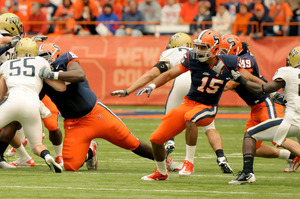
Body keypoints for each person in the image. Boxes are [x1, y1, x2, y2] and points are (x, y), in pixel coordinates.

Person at [136, 29, 266, 181]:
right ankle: (161, 173)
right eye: (198, 46)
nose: (199, 50)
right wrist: (152, 86)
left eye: (204, 47)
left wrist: (271, 89)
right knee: (156, 139)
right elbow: (170, 74)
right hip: (189, 103)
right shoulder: (192, 58)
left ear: (215, 49)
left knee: (191, 118)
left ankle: (189, 162)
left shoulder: (228, 61)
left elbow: (249, 76)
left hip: (208, 106)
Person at [110, 32, 233, 174]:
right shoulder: (214, 58)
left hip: (183, 79)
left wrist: (129, 90)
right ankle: (221, 156)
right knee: (209, 126)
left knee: (171, 120)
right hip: (202, 86)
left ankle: (170, 143)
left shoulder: (176, 54)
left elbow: (155, 74)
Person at [38, 43, 156, 171]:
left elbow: (79, 75)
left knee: (132, 143)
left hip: (96, 113)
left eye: (46, 56)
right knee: (71, 166)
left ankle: (166, 161)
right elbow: (36, 96)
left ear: (56, 55)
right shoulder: (42, 76)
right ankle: (90, 151)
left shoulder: (65, 58)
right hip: (74, 124)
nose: (43, 60)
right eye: (40, 57)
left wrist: (53, 75)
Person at [220, 34, 297, 172]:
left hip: (267, 103)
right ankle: (291, 155)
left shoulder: (245, 60)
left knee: (277, 136)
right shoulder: (239, 60)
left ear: (235, 50)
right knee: (252, 146)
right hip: (255, 107)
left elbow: (232, 83)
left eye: (225, 51)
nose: (221, 54)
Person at [0, 38, 65, 173]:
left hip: (12, 101)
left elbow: (0, 94)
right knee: (37, 146)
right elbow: (61, 88)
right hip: (33, 106)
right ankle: (47, 156)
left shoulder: (8, 64)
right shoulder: (41, 62)